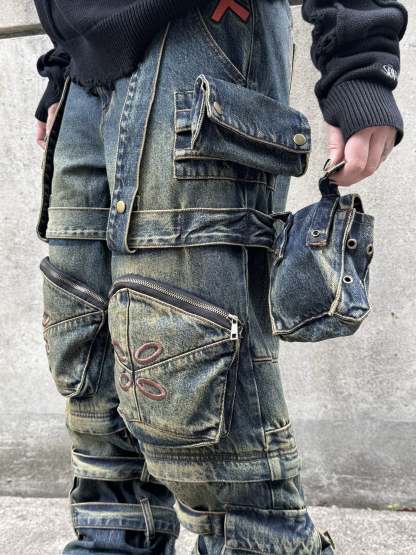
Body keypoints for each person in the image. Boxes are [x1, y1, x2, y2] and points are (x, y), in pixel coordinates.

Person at [33, 1, 408, 553]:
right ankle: (111, 538)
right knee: (88, 354)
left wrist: (359, 58)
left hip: (203, 31)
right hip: (84, 65)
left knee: (195, 369)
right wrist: (64, 61)